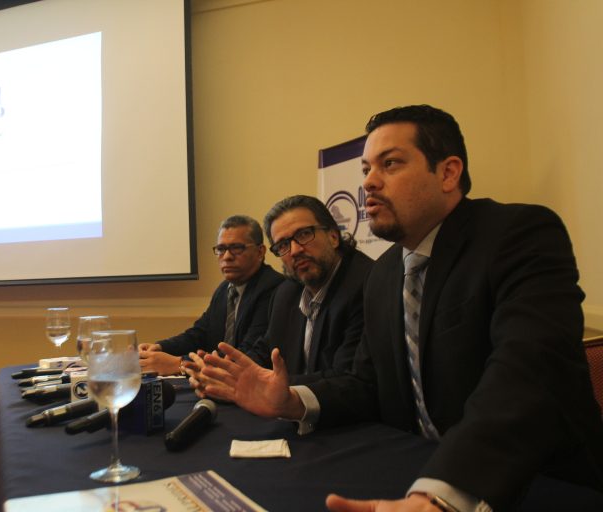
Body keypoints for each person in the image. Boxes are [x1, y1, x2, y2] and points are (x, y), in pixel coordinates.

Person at [192, 105, 603, 511]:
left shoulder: (518, 234)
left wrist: (443, 491)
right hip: (417, 471)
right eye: (366, 169)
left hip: (532, 484)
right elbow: (366, 383)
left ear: (448, 172)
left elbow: (526, 372)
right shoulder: (385, 273)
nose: (369, 183)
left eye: (390, 164)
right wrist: (292, 402)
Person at [244, 195, 373, 384]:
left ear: (333, 236)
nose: (295, 250)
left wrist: (271, 386)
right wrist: (229, 372)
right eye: (283, 245)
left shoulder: (367, 285)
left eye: (304, 234)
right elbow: (267, 350)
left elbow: (347, 377)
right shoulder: (285, 293)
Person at [139, 215, 283, 376]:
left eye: (236, 248)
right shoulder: (224, 289)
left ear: (260, 252)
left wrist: (179, 364)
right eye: (221, 249)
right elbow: (199, 334)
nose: (227, 256)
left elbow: (247, 356)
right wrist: (159, 348)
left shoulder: (273, 288)